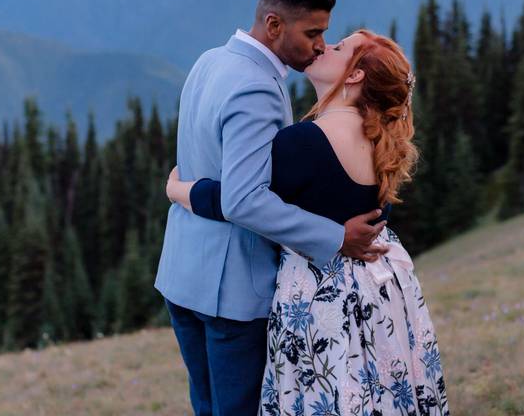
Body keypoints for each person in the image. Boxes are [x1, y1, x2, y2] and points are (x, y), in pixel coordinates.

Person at [166, 28, 451, 416]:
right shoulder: (378, 139)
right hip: (379, 293)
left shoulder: (307, 141)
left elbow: (240, 199)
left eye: (338, 47)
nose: (323, 47)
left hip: (323, 296)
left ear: (354, 76)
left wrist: (179, 190)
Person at [154, 0, 390, 416]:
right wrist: (335, 237)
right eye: (313, 33)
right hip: (231, 291)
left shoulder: (209, 61)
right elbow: (245, 199)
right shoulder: (257, 86)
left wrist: (180, 190)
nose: (321, 44)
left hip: (182, 275)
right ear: (274, 25)